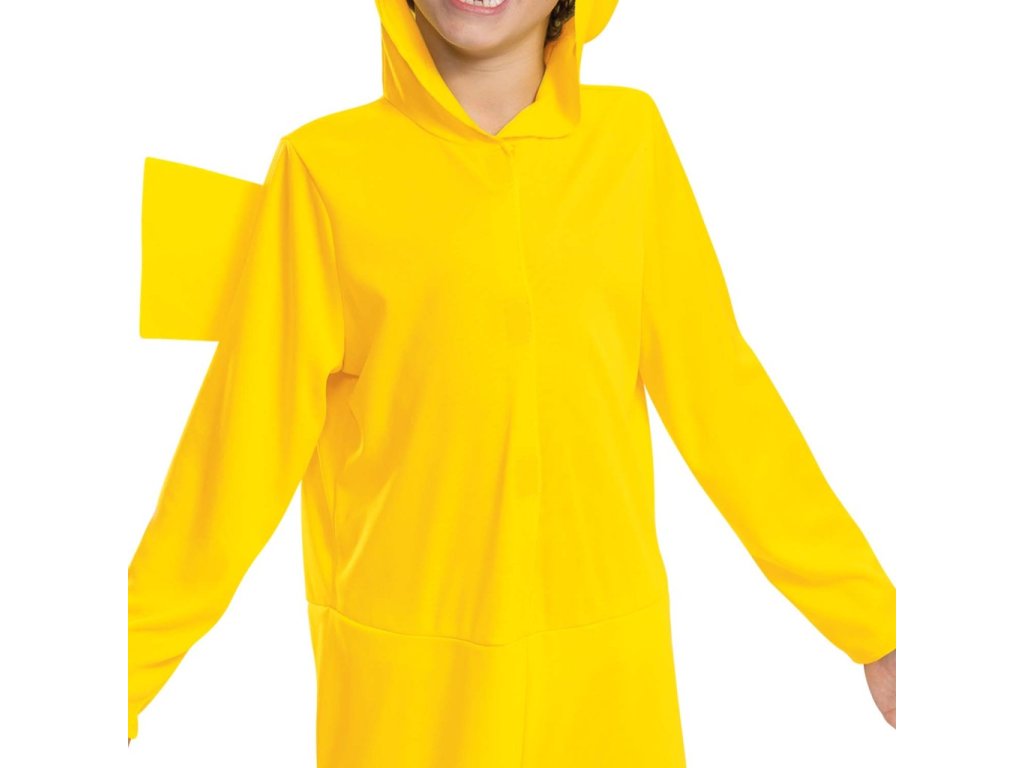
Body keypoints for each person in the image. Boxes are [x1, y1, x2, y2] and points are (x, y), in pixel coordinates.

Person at [128, 0, 897, 762]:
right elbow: (236, 456)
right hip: (412, 699)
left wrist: (873, 622)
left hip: (606, 688)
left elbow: (725, 404)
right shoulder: (322, 170)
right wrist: (120, 670)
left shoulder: (630, 144)